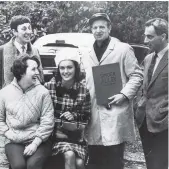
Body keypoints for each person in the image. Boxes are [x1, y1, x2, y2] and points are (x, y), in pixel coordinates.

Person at [81, 13, 143, 169]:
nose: (98, 30)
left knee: (114, 159)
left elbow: (136, 75)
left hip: (116, 109)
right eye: (94, 27)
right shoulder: (86, 51)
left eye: (102, 26)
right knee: (95, 158)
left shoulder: (123, 49)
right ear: (91, 30)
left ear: (109, 28)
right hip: (93, 110)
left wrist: (124, 94)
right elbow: (83, 77)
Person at [0, 55, 54, 169]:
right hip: (14, 140)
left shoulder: (43, 93)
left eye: (37, 69)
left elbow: (48, 121)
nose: (37, 73)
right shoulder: (4, 93)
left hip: (39, 140)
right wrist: (7, 133)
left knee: (33, 165)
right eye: (33, 69)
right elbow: (0, 119)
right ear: (21, 72)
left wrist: (35, 143)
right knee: (19, 166)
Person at [45, 48, 91, 169]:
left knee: (80, 163)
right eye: (62, 68)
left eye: (69, 67)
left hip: (74, 137)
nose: (65, 71)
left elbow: (87, 116)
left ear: (76, 68)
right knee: (69, 155)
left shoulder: (83, 90)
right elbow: (42, 114)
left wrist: (74, 116)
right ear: (58, 69)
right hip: (54, 136)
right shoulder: (49, 87)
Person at [135, 18, 168, 169]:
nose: (145, 40)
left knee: (160, 164)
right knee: (151, 164)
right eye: (145, 35)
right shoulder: (148, 58)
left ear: (164, 36)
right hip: (145, 121)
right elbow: (143, 87)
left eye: (150, 36)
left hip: (164, 123)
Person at [0, 15, 44, 89]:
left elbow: (40, 77)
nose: (28, 32)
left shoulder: (35, 51)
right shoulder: (2, 51)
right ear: (14, 32)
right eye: (24, 29)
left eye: (29, 28)